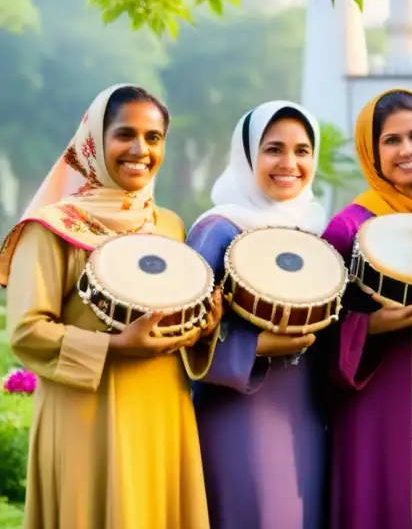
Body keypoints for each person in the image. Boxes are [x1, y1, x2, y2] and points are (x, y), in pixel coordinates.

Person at [0, 84, 217, 529]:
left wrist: (202, 329)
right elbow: (25, 331)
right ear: (95, 140)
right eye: (125, 134)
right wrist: (116, 347)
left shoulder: (170, 225)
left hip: (161, 411)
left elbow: (174, 322)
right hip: (85, 416)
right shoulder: (52, 228)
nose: (140, 149)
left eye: (153, 138)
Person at [322, 89, 412, 529]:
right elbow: (321, 325)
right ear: (371, 149)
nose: (408, 150)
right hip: (378, 404)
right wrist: (374, 325)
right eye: (391, 140)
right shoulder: (349, 227)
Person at [187, 101, 329, 529]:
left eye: (302, 150)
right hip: (240, 409)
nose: (290, 163)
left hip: (304, 409)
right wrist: (262, 344)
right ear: (247, 154)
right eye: (273, 149)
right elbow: (184, 333)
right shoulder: (218, 230)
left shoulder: (316, 228)